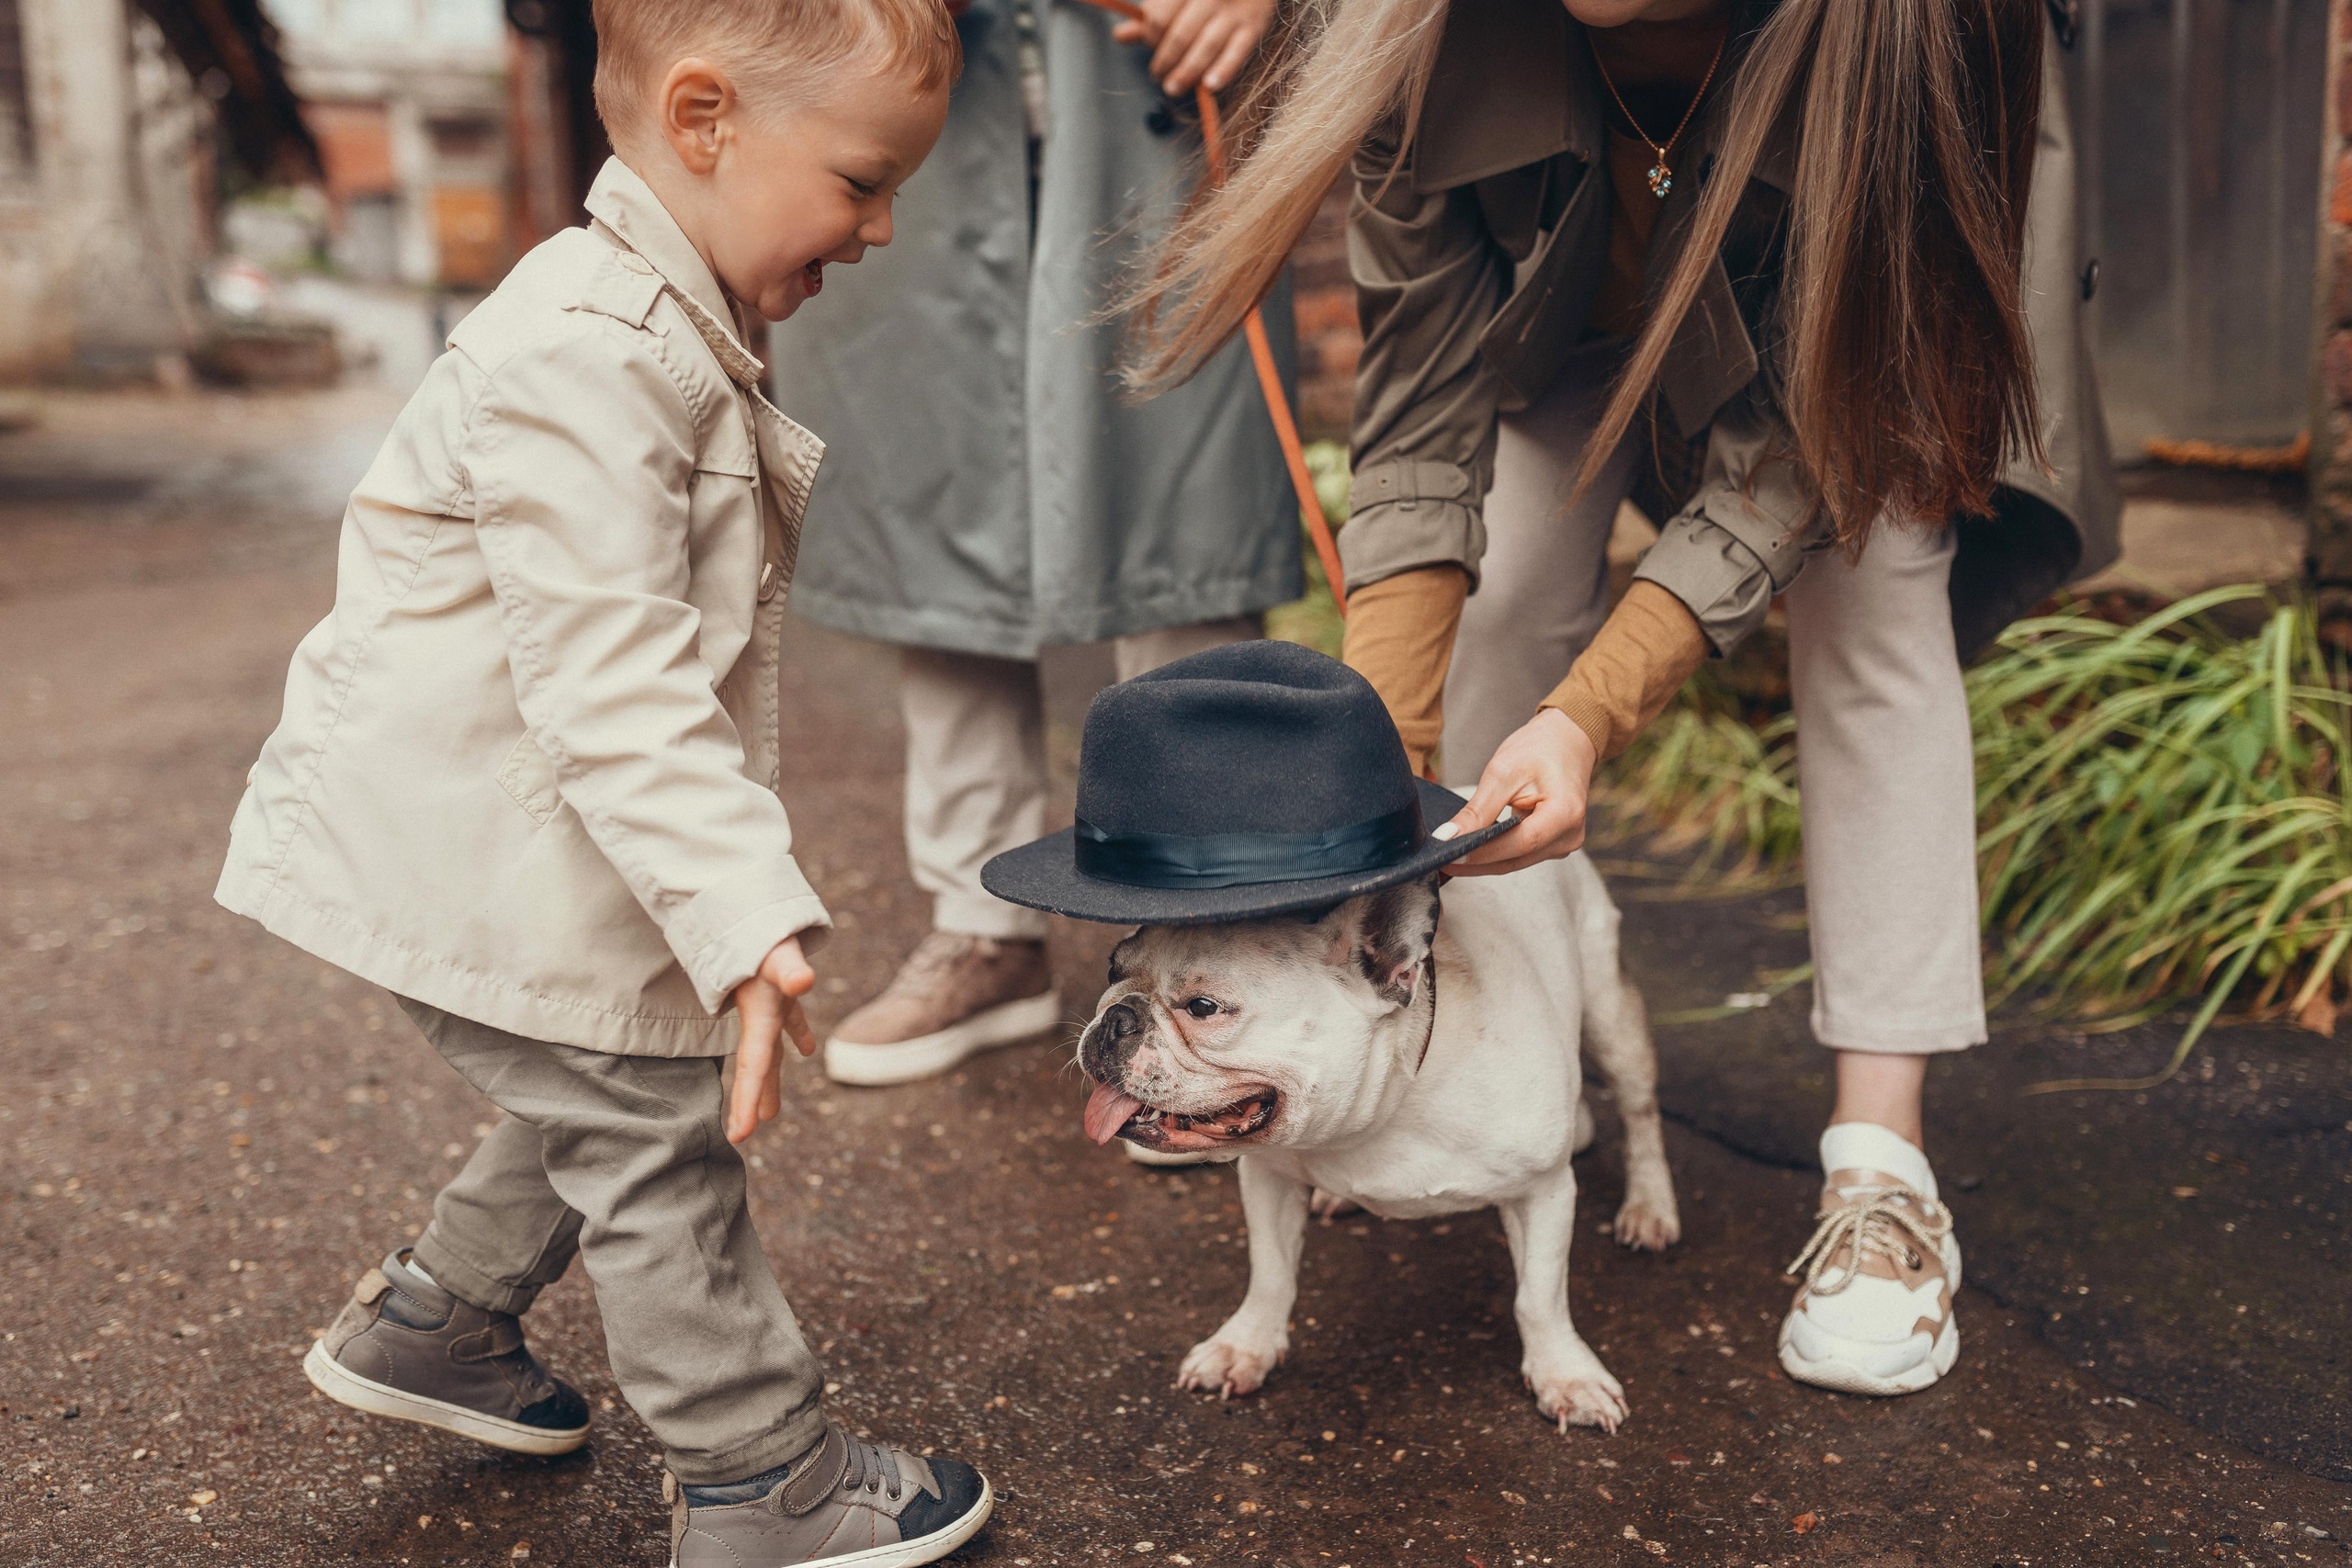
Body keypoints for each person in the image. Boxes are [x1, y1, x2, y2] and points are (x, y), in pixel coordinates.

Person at [1122, 0, 2119, 1397]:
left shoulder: (1923, 38)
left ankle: (1883, 1173)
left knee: (1877, 593)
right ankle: (1420, 1059)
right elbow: (1418, 418)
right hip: (1570, 331)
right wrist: (1367, 784)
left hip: (1850, 360)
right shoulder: (1413, 35)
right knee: (1505, 583)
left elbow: (1801, 452)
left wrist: (1588, 713)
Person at [214, 3, 994, 1561]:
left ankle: (434, 1322)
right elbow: (611, 676)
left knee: (614, 1060)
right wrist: (742, 907)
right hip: (468, 834)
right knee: (651, 1126)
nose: (886, 224)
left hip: (507, 824)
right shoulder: (587, 350)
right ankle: (760, 1474)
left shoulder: (661, 316)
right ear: (705, 120)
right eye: (859, 179)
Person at [768, 0, 1302, 1117]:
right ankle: (983, 928)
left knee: (1180, 490)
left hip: (1155, 79)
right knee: (934, 475)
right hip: (904, 79)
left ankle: (1213, 945)